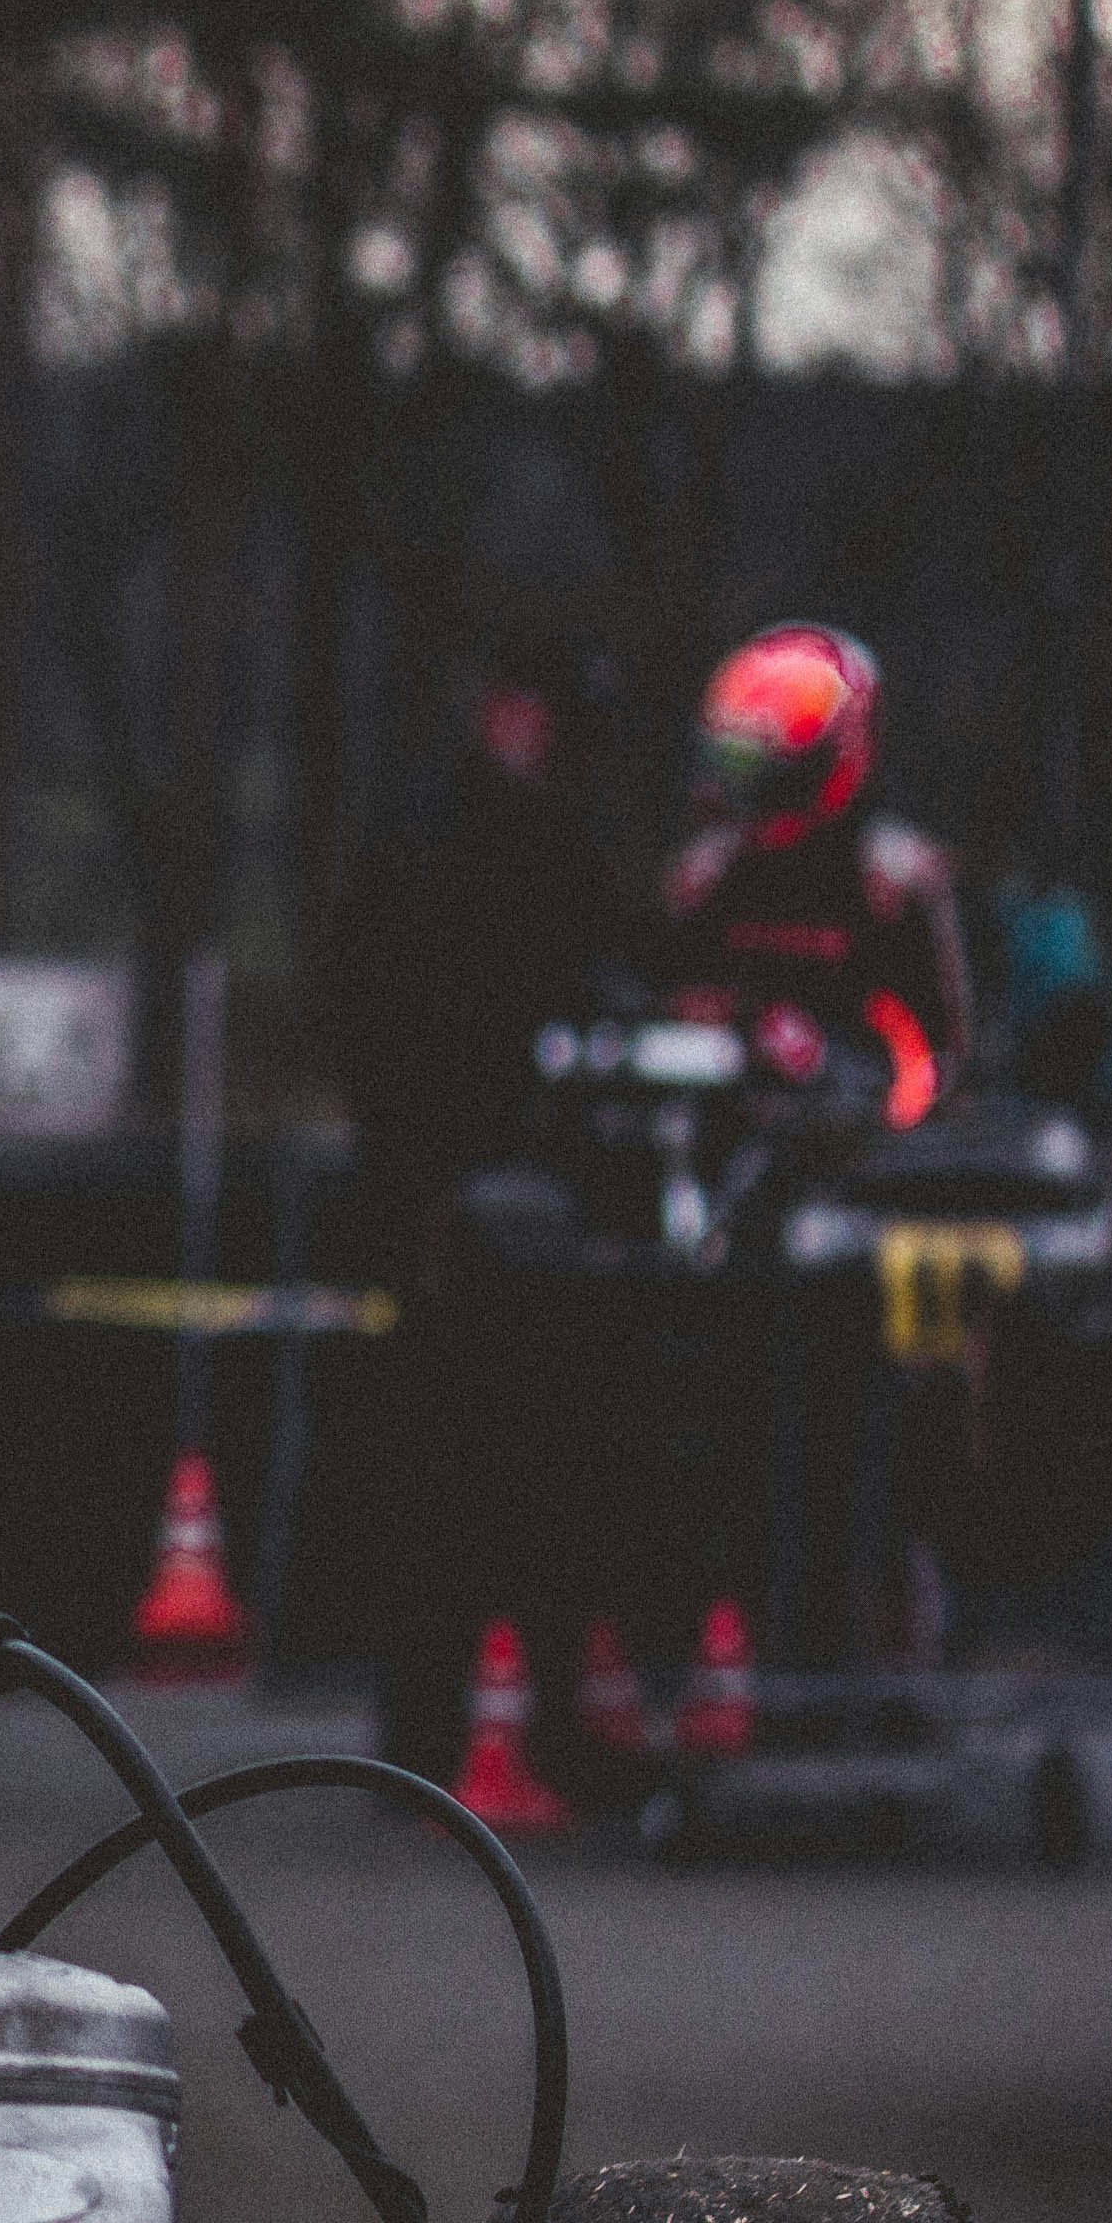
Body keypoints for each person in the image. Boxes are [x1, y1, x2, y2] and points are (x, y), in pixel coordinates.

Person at [329, 640, 640, 1784]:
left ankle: (468, 1730)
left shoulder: (483, 838)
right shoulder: (474, 848)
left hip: (477, 1205)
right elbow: (396, 1015)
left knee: (483, 1481)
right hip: (474, 1208)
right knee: (487, 1480)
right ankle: (485, 1731)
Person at [653, 625, 972, 1096]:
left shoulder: (895, 881)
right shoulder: (705, 873)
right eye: (738, 760)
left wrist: (819, 1059)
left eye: (770, 766)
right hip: (719, 1124)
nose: (752, 788)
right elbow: (660, 1001)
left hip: (860, 1139)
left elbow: (944, 1067)